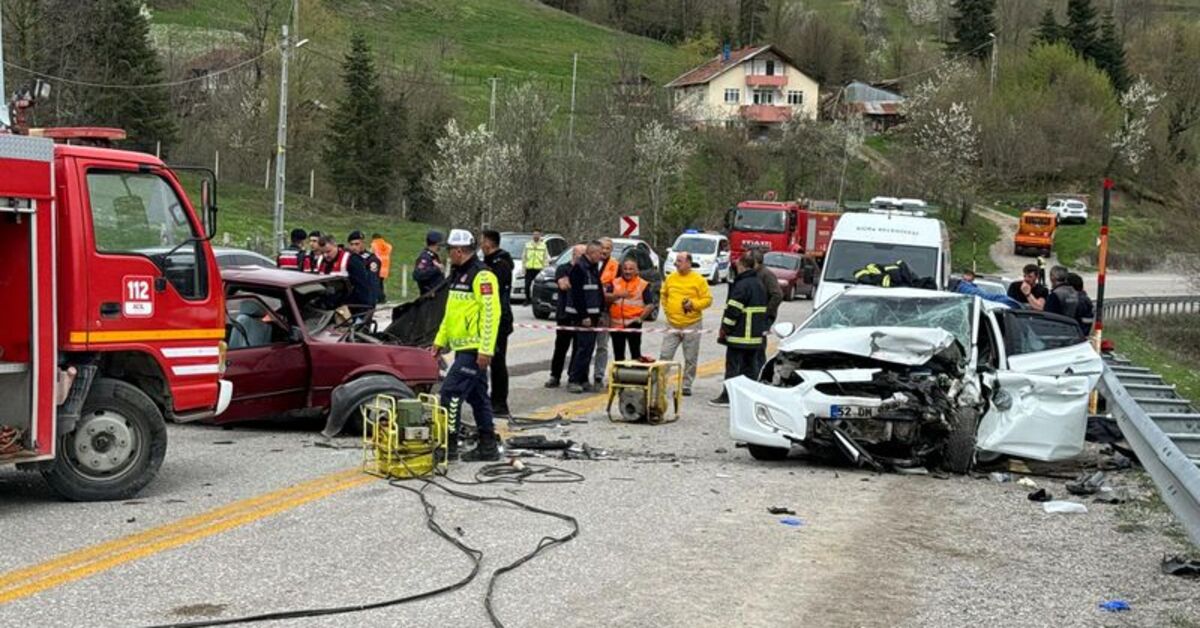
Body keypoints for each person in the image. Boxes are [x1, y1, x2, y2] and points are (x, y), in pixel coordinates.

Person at [431, 229, 502, 462]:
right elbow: (450, 314)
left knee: (450, 394)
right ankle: (488, 445)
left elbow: (492, 314)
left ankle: (449, 445)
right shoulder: (458, 274)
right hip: (463, 348)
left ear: (459, 251)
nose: (448, 255)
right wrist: (440, 341)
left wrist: (486, 349)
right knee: (479, 397)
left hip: (474, 349)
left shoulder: (482, 276)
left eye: (449, 250)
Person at [711, 252, 767, 407]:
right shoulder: (759, 283)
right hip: (755, 337)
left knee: (733, 368)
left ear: (742, 265)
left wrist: (725, 329)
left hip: (739, 335)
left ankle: (727, 397)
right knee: (750, 368)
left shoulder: (742, 285)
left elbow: (733, 310)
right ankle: (749, 397)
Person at [660, 252, 712, 396]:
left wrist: (693, 304)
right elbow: (663, 295)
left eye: (680, 261)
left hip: (692, 324)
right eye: (676, 261)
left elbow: (708, 300)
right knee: (665, 354)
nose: (677, 263)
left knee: (690, 357)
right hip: (672, 324)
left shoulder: (699, 280)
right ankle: (660, 382)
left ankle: (686, 385)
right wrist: (667, 311)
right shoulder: (670, 278)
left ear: (689, 263)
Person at [480, 230, 515, 417]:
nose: (480, 245)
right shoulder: (489, 262)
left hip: (500, 319)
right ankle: (487, 400)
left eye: (482, 241)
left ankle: (500, 404)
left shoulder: (500, 264)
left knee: (497, 363)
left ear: (488, 243)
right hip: (491, 318)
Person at [567, 241, 605, 394]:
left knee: (589, 349)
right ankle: (574, 380)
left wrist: (600, 313)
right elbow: (578, 295)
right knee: (583, 348)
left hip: (594, 315)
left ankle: (583, 379)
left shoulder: (593, 268)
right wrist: (584, 316)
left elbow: (597, 291)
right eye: (599, 253)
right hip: (584, 316)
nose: (601, 256)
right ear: (592, 253)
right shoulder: (579, 269)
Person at [545, 244, 585, 389]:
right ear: (574, 255)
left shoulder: (586, 270)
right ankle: (554, 376)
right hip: (564, 314)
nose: (582, 258)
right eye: (580, 255)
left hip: (580, 315)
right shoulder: (563, 268)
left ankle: (573, 376)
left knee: (577, 347)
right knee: (561, 347)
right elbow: (563, 285)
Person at [608, 258, 656, 362]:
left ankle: (634, 376)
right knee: (618, 355)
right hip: (616, 325)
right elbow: (606, 297)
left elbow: (650, 305)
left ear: (636, 270)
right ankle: (619, 377)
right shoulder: (614, 282)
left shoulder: (643, 284)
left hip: (633, 323)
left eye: (631, 269)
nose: (627, 271)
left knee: (635, 355)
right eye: (625, 269)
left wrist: (640, 318)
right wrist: (617, 295)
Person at [752, 249, 784, 375]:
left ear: (756, 262)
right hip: (753, 318)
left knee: (759, 349)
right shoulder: (753, 274)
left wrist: (766, 312)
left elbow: (777, 295)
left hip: (762, 319)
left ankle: (761, 374)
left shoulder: (766, 275)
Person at [592, 238, 618, 388]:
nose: (604, 251)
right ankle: (580, 375)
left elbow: (618, 287)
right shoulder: (590, 263)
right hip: (590, 309)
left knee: (602, 345)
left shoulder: (615, 266)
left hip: (605, 310)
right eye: (602, 248)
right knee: (586, 345)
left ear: (611, 250)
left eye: (608, 248)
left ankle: (598, 376)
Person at [347, 230, 381, 310]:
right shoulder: (348, 258)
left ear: (363, 243)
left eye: (357, 244)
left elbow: (372, 282)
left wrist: (371, 302)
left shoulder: (371, 260)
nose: (354, 247)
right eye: (351, 244)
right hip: (351, 298)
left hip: (365, 299)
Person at [414, 230, 446, 295]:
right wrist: (436, 269)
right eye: (440, 244)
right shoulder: (425, 258)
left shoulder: (433, 256)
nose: (441, 246)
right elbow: (418, 275)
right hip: (429, 296)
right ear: (436, 244)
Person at [522, 230, 549, 307]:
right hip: (529, 268)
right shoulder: (527, 245)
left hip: (539, 269)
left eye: (537, 234)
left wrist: (544, 269)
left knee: (539, 287)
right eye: (534, 234)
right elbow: (524, 257)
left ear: (540, 235)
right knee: (527, 285)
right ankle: (527, 299)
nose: (536, 236)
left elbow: (545, 258)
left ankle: (538, 300)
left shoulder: (543, 246)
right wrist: (523, 268)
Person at [370, 232, 392, 303]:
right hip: (385, 268)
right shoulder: (388, 246)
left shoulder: (374, 245)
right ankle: (381, 298)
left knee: (376, 283)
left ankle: (380, 298)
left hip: (377, 266)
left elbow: (371, 254)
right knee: (381, 283)